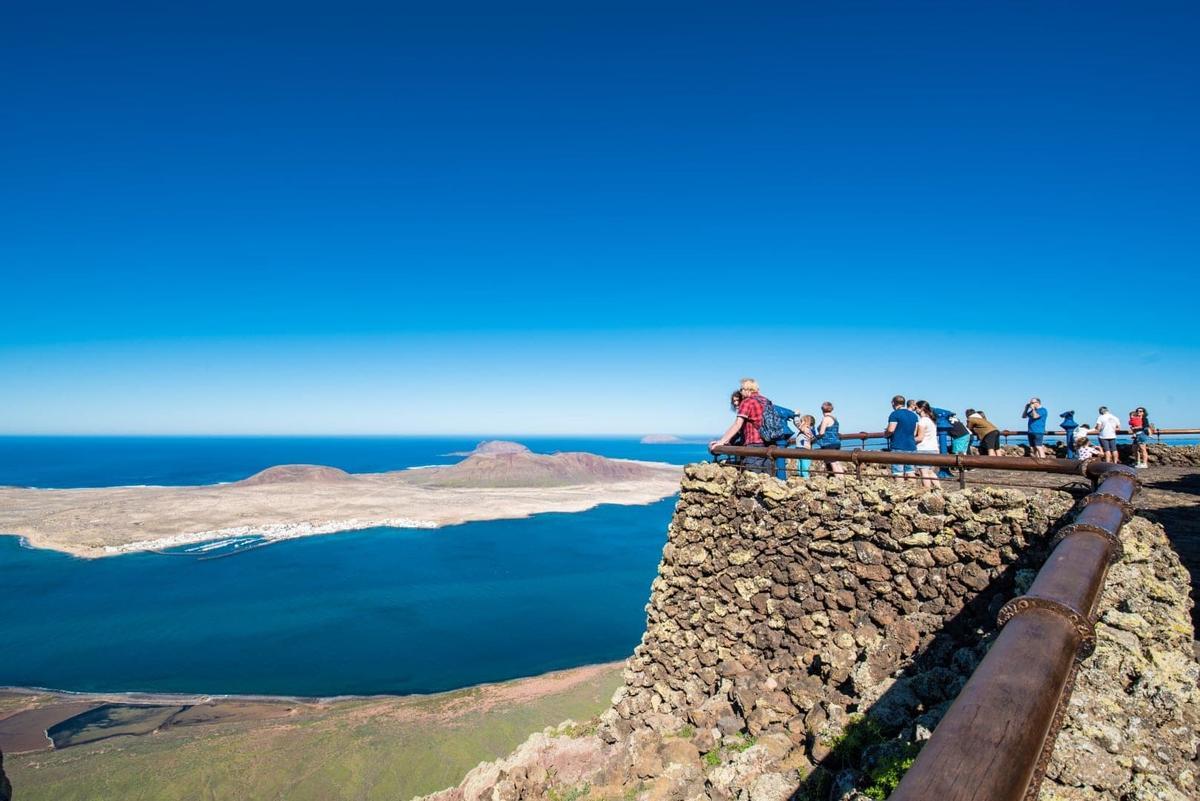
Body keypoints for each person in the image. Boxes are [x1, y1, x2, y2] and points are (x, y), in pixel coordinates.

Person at [710, 378, 769, 471]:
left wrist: (721, 441)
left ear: (747, 389)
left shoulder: (748, 401)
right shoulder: (766, 401)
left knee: (752, 478)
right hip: (768, 445)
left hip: (753, 445)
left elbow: (738, 424)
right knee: (766, 479)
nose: (741, 392)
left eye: (741, 389)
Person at [885, 395, 919, 481]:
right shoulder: (914, 415)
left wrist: (885, 433)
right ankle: (913, 491)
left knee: (898, 473)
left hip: (898, 446)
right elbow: (915, 433)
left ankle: (900, 492)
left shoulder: (894, 414)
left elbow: (891, 430)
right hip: (911, 446)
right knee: (910, 471)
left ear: (893, 403)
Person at [812, 401, 845, 474]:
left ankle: (838, 478)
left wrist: (815, 437)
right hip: (836, 442)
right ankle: (842, 477)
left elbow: (821, 432)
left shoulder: (825, 419)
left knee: (832, 462)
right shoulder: (835, 418)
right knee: (836, 462)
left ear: (822, 409)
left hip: (828, 443)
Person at [914, 400, 939, 488]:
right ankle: (939, 489)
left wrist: (909, 440)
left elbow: (920, 438)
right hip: (934, 448)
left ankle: (927, 492)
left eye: (916, 408)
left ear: (921, 409)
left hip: (923, 449)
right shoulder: (931, 420)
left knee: (924, 472)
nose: (915, 409)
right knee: (930, 472)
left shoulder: (922, 421)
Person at [795, 414, 816, 478]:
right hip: (802, 448)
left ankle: (806, 478)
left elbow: (797, 424)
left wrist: (796, 416)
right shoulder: (807, 429)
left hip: (804, 449)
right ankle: (802, 478)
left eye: (802, 421)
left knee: (804, 466)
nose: (801, 423)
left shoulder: (806, 429)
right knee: (800, 465)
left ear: (807, 422)